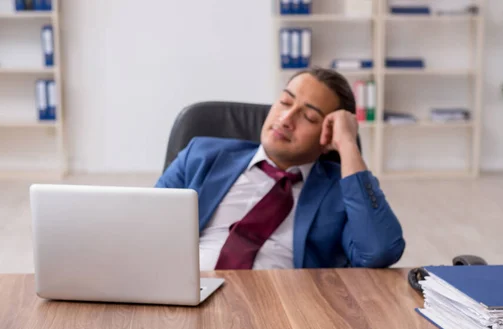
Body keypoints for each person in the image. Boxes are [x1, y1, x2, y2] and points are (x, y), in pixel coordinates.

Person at [155, 67, 405, 270]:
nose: (286, 120)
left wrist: (348, 143)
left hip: (280, 309)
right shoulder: (201, 155)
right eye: (285, 102)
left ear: (328, 136)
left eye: (309, 117)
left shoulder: (341, 193)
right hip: (190, 292)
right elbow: (148, 226)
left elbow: (379, 250)